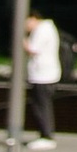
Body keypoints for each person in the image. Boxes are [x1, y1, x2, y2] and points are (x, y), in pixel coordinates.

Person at [23, 8, 62, 144]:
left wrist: (22, 39)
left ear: (33, 18)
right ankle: (45, 134)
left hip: (43, 75)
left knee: (42, 106)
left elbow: (32, 49)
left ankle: (46, 135)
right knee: (41, 105)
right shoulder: (46, 29)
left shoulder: (42, 30)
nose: (25, 27)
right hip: (43, 74)